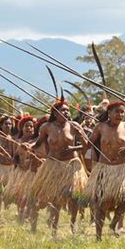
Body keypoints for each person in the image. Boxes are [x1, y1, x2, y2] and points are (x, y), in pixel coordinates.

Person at [29, 100, 89, 236]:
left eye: (68, 110)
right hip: (53, 165)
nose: (67, 112)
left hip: (72, 165)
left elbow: (87, 146)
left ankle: (73, 224)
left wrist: (77, 142)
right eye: (63, 110)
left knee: (74, 196)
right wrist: (29, 147)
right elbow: (38, 143)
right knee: (55, 198)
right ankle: (54, 228)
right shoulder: (46, 127)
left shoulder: (74, 126)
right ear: (55, 114)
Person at [84, 102, 125, 241]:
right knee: (101, 203)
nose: (120, 115)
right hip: (104, 169)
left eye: (122, 112)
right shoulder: (100, 127)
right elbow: (88, 144)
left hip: (121, 169)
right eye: (117, 112)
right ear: (109, 113)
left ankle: (114, 223)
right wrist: (81, 133)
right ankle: (98, 236)